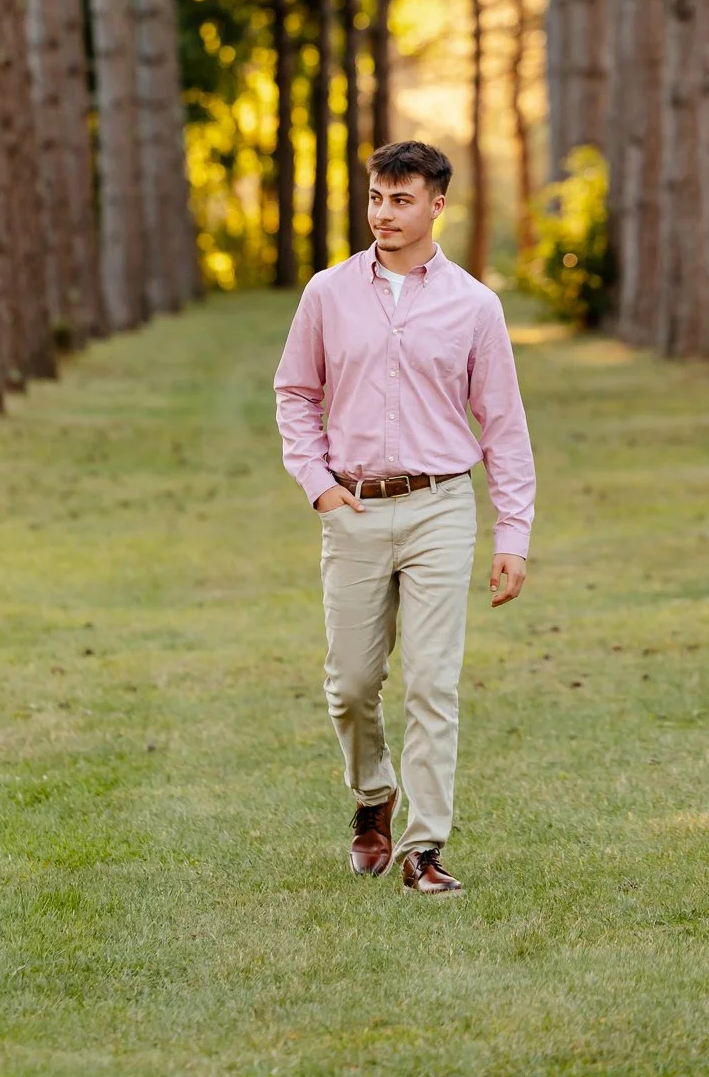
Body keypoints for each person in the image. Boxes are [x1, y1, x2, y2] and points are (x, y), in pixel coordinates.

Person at [273, 139, 535, 895]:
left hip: (440, 508)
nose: (383, 214)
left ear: (436, 206)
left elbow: (503, 426)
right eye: (376, 199)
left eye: (401, 200)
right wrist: (317, 482)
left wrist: (512, 536)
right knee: (351, 685)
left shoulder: (474, 307)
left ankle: (423, 848)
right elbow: (294, 392)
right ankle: (371, 796)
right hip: (352, 507)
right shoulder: (326, 293)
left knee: (430, 683)